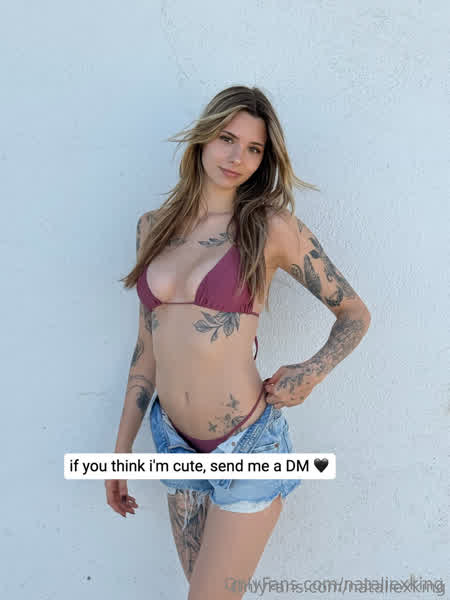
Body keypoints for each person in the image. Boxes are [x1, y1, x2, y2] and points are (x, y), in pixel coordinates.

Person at [105, 85, 371, 599]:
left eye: (254, 149)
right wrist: (121, 453)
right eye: (227, 139)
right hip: (173, 444)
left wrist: (313, 371)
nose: (237, 158)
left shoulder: (270, 227)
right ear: (203, 139)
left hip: (248, 443)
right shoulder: (151, 229)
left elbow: (354, 314)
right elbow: (146, 351)